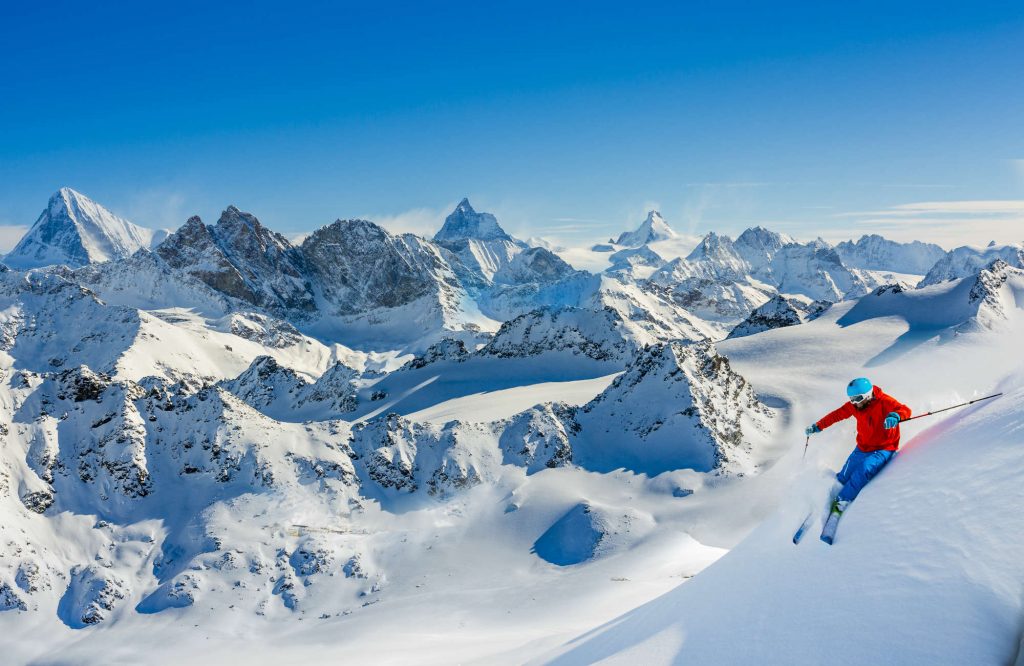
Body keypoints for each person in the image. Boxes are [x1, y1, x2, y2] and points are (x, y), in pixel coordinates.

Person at [805, 377, 911, 516]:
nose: (854, 402)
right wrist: (818, 426)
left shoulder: (885, 401)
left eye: (858, 398)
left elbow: (905, 409)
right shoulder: (855, 406)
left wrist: (895, 416)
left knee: (862, 470)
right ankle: (827, 498)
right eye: (851, 399)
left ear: (868, 395)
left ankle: (842, 501)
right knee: (843, 476)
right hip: (862, 447)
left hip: (884, 447)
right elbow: (836, 415)